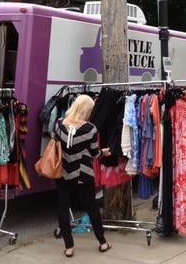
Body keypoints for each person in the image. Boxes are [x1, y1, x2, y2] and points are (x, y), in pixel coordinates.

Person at [55, 94, 112, 258]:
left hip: (63, 172)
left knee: (63, 208)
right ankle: (102, 242)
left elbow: (56, 144)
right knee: (92, 207)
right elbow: (95, 153)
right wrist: (105, 152)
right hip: (83, 174)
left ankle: (69, 247)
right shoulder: (90, 129)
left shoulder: (60, 124)